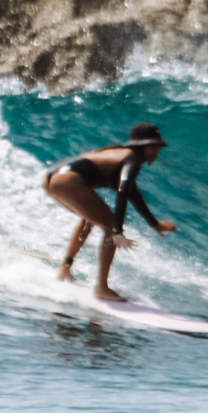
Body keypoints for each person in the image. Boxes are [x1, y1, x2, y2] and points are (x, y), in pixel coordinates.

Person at [43, 122, 177, 301]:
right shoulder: (132, 160)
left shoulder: (120, 154)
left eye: (158, 147)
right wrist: (117, 230)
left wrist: (154, 223)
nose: (157, 151)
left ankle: (65, 268)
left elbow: (132, 193)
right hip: (67, 181)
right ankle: (102, 288)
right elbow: (122, 192)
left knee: (89, 218)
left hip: (52, 178)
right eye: (153, 146)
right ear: (141, 146)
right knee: (110, 225)